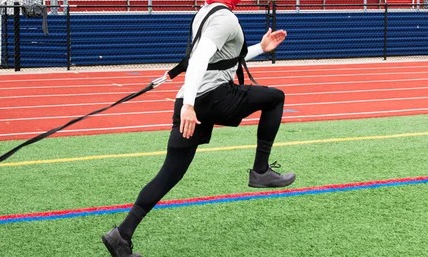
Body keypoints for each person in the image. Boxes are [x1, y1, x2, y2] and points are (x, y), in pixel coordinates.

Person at [102, 0, 293, 256]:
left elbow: (220, 60)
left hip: (192, 99)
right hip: (210, 99)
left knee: (169, 175)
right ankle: (260, 171)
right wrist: (189, 107)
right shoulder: (225, 18)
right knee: (275, 98)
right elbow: (200, 58)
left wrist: (261, 47)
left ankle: (120, 236)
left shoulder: (204, 13)